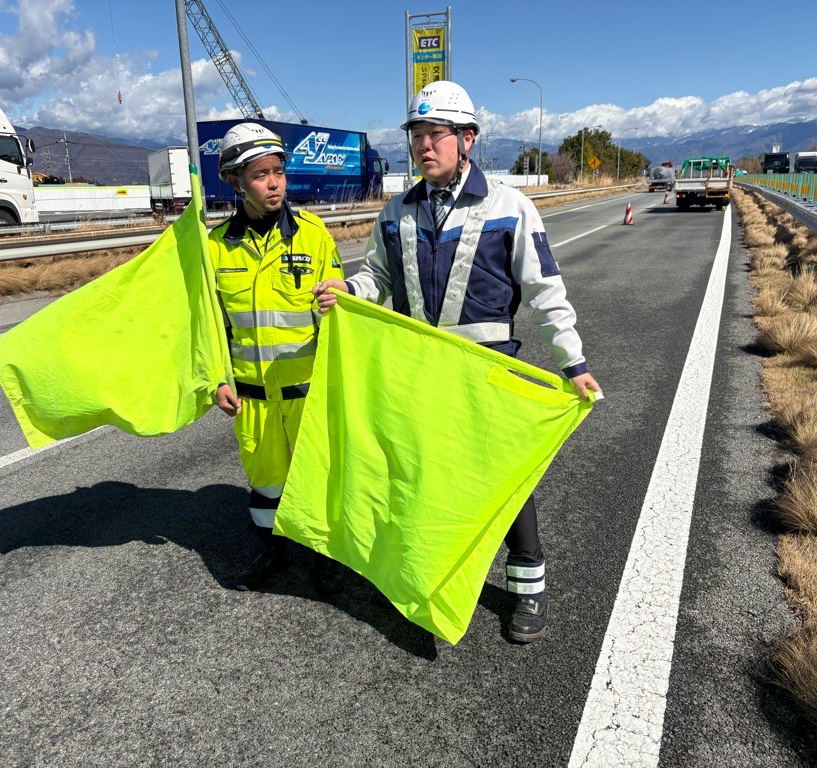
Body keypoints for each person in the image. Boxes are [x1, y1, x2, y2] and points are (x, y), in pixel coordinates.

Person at [313, 81, 602, 643]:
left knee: (504, 481)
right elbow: (377, 277)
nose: (424, 146)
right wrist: (349, 290)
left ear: (467, 139)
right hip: (419, 371)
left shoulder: (510, 206)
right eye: (417, 136)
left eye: (436, 135)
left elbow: (545, 291)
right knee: (422, 472)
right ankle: (422, 574)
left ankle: (528, 587)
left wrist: (574, 362)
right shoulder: (396, 211)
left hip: (486, 370)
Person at [209, 122, 346, 596]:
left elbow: (342, 317)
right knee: (266, 483)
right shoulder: (215, 247)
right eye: (260, 175)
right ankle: (272, 551)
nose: (274, 184)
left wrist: (341, 299)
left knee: (318, 476)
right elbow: (211, 327)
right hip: (251, 396)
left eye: (279, 172)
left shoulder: (313, 235)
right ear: (235, 182)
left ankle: (327, 557)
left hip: (307, 390)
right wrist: (216, 381)